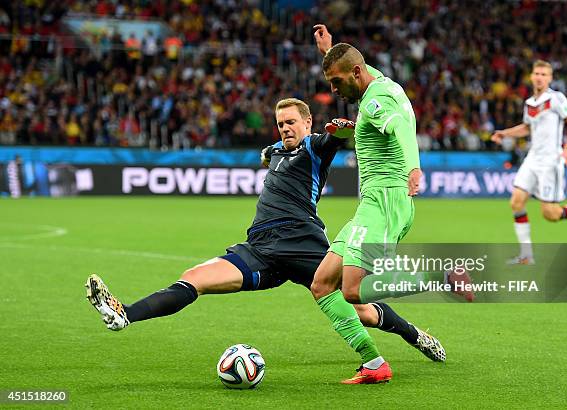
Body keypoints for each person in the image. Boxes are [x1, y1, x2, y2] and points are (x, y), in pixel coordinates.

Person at [85, 98, 443, 380]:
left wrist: (341, 130)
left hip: (303, 244)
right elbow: (271, 152)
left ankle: (415, 335)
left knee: (362, 309)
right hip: (259, 249)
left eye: (292, 122)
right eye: (281, 123)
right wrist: (270, 151)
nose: (286, 128)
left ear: (307, 123)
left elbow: (339, 138)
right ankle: (125, 315)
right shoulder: (274, 152)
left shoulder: (316, 147)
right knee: (195, 277)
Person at [308, 24, 453, 385]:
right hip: (372, 204)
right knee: (323, 284)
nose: (333, 90)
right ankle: (374, 363)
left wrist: (414, 166)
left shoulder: (375, 100)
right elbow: (354, 72)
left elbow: (401, 127)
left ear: (356, 73)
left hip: (386, 200)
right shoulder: (381, 86)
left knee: (352, 289)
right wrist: (328, 51)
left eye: (337, 82)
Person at [491, 60, 567, 265]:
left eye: (544, 74)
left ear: (550, 78)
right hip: (533, 158)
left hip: (550, 162)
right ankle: (526, 256)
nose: (539, 77)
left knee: (550, 214)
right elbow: (527, 128)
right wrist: (505, 133)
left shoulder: (556, 98)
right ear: (531, 76)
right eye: (537, 73)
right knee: (516, 202)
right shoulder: (529, 103)